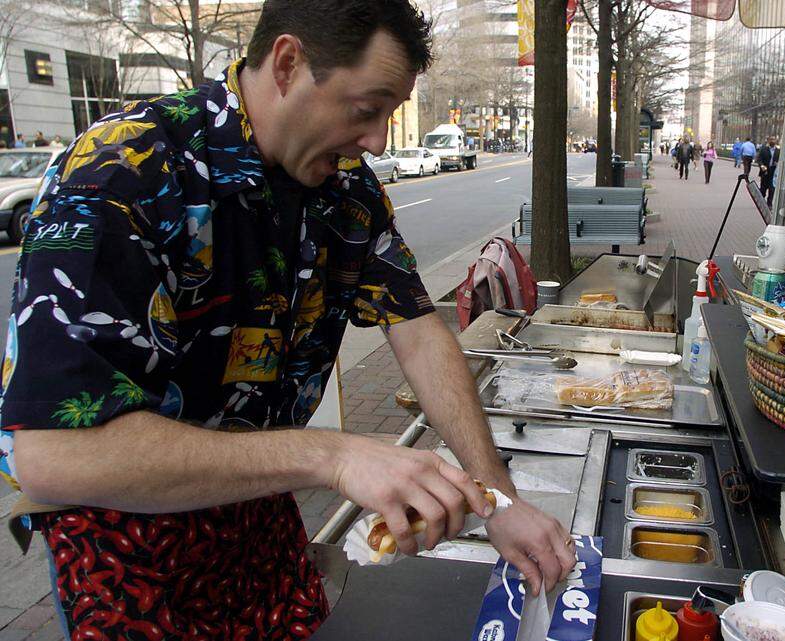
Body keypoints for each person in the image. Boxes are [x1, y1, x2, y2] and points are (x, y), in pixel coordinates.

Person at [0, 1, 575, 638]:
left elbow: (416, 326)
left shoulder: (346, 188)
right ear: (287, 63)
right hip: (124, 536)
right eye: (367, 109)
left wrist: (496, 498)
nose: (379, 140)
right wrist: (333, 457)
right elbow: (54, 455)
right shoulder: (122, 170)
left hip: (257, 506)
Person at [757, 135, 780, 206]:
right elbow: (759, 159)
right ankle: (761, 200)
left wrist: (778, 163)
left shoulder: (778, 150)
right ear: (768, 141)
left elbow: (781, 160)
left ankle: (769, 203)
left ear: (776, 141)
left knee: (772, 189)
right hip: (765, 171)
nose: (772, 141)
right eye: (771, 140)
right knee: (763, 188)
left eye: (774, 140)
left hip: (773, 171)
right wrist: (761, 165)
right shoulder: (763, 149)